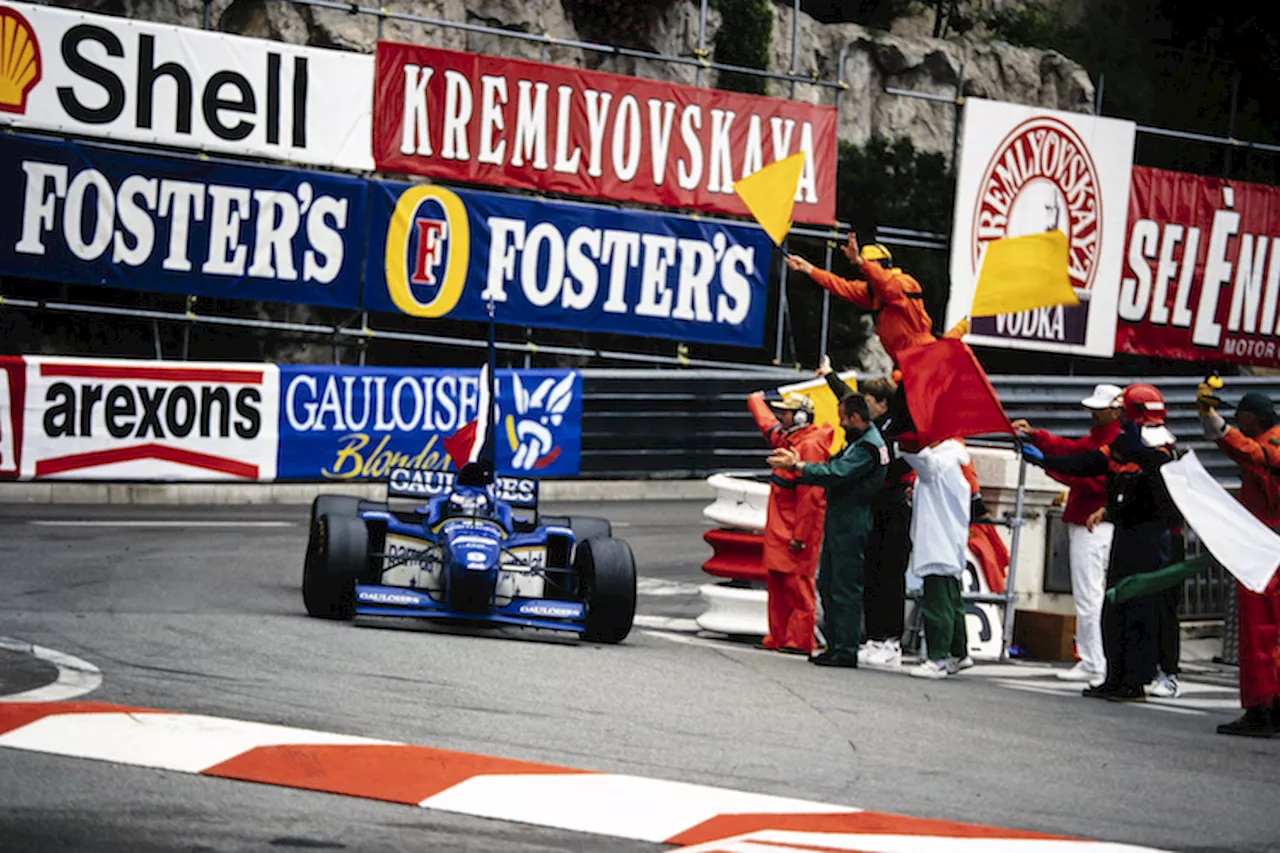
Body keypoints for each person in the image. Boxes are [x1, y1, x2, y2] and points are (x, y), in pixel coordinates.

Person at [1023, 385, 1181, 702]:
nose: (1120, 415)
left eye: (1125, 409)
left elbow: (1157, 492)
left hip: (1153, 541)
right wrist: (1046, 461)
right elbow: (1088, 462)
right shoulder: (1123, 444)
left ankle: (1135, 681)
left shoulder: (1164, 449)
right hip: (1125, 534)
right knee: (1114, 606)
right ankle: (1115, 676)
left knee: (1141, 610)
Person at [1012, 383, 1123, 685]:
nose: (1092, 413)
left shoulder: (1112, 442)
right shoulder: (1104, 439)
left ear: (1116, 410)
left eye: (1098, 409)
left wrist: (1046, 463)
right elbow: (1072, 453)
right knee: (1092, 595)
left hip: (1093, 523)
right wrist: (1040, 438)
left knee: (1090, 595)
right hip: (1093, 522)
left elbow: (1087, 476)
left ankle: (1095, 661)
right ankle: (1095, 658)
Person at [766, 394, 888, 667]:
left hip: (851, 520)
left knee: (844, 586)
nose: (841, 423)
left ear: (856, 418)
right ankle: (835, 645)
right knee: (829, 583)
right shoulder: (862, 441)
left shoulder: (867, 447)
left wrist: (798, 467)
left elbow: (836, 472)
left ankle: (844, 649)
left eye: (844, 418)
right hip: (843, 517)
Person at [815, 358, 913, 668]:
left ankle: (890, 639)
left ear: (883, 404)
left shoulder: (898, 427)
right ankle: (871, 636)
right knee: (868, 574)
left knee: (888, 575)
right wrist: (831, 375)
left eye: (869, 402)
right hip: (873, 506)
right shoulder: (871, 425)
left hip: (893, 507)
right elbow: (850, 400)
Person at [1198, 384, 1280, 736]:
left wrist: (1211, 419)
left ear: (1252, 418)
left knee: (1258, 633)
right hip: (1267, 546)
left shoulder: (1271, 444)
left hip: (1264, 550)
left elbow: (1251, 454)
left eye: (1238, 416)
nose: (1236, 421)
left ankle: (1261, 710)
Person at [784, 233, 969, 369]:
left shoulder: (902, 283)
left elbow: (885, 282)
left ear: (882, 265)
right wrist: (808, 268)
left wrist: (859, 262)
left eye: (870, 265)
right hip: (907, 362)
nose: (865, 272)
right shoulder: (875, 293)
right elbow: (840, 285)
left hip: (921, 359)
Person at [747, 391, 834, 655]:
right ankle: (779, 636)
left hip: (797, 528)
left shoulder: (809, 446)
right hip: (780, 528)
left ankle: (799, 640)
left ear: (798, 416)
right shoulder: (790, 440)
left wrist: (801, 534)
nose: (779, 416)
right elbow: (765, 422)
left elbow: (812, 498)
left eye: (784, 412)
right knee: (778, 583)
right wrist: (756, 399)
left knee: (798, 585)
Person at [898, 437, 975, 679]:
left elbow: (923, 463)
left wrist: (904, 441)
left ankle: (938, 657)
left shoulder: (942, 459)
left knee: (938, 602)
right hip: (947, 539)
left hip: (937, 539)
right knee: (952, 601)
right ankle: (958, 652)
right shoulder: (955, 457)